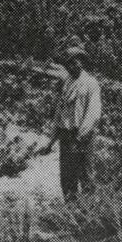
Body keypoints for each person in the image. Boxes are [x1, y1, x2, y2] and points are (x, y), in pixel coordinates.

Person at [42, 40, 102, 200]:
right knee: (67, 178)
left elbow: (93, 114)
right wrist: (51, 141)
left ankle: (89, 212)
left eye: (75, 62)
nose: (72, 66)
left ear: (82, 62)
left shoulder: (90, 83)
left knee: (86, 175)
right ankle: (71, 210)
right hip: (66, 137)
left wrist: (80, 136)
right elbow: (60, 114)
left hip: (82, 136)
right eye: (68, 63)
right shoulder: (67, 83)